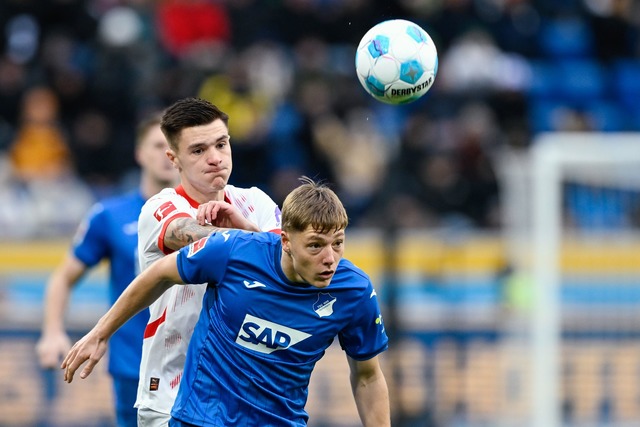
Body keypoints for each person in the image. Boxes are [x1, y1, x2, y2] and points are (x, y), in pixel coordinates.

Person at [62, 177, 391, 426]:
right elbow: (160, 273)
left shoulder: (353, 291)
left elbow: (367, 375)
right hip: (202, 416)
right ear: (286, 240)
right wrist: (101, 333)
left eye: (338, 243)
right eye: (316, 246)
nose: (330, 258)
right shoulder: (234, 251)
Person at [134, 97, 282, 426]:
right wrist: (244, 238)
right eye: (199, 150)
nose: (215, 158)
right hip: (171, 393)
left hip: (243, 393)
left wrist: (245, 228)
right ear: (174, 160)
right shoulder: (160, 208)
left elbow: (287, 262)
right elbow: (185, 233)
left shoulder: (255, 202)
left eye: (221, 144)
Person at [36, 111, 179, 427]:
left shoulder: (208, 215)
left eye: (174, 146)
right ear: (139, 153)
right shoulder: (109, 216)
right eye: (158, 145)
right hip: (133, 365)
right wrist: (52, 331)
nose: (167, 154)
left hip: (192, 363)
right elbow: (63, 278)